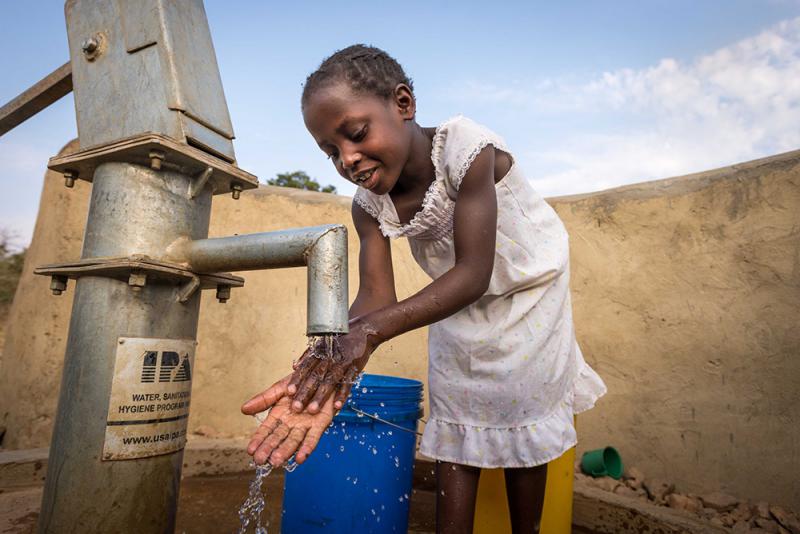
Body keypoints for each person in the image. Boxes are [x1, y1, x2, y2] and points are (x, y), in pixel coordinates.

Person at [241, 44, 607, 533]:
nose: (348, 159)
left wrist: (368, 335)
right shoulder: (368, 204)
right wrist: (327, 357)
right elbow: (376, 300)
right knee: (455, 408)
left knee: (523, 406)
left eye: (356, 134)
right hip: (453, 299)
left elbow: (475, 272)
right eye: (331, 151)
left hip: (528, 288)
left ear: (403, 104)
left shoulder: (466, 150)